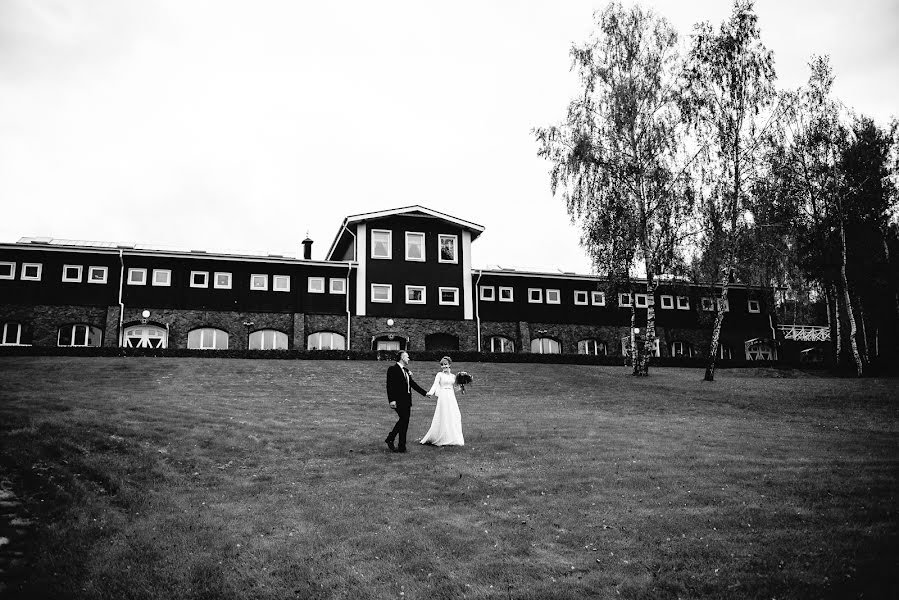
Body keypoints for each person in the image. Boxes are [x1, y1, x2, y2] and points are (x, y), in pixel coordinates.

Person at [385, 350, 429, 453]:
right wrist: (391, 400)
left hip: (407, 400)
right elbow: (390, 386)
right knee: (404, 419)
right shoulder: (392, 369)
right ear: (402, 357)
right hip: (398, 400)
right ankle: (390, 438)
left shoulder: (406, 370)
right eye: (407, 357)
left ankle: (401, 446)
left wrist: (425, 393)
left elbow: (412, 384)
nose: (409, 359)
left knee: (405, 422)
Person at [419, 356, 464, 446]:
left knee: (454, 415)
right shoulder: (439, 375)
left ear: (449, 365)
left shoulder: (453, 376)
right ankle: (441, 437)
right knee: (443, 415)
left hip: (451, 397)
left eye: (445, 364)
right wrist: (430, 393)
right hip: (443, 396)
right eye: (442, 365)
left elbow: (455, 389)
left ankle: (452, 437)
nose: (444, 366)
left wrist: (461, 387)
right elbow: (435, 385)